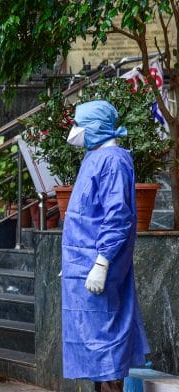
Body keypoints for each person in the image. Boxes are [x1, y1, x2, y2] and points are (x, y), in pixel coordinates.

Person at [61, 100, 149, 392]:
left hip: (100, 267)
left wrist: (102, 262)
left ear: (96, 126)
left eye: (79, 125)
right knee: (94, 349)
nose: (74, 132)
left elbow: (117, 216)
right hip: (84, 264)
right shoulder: (95, 157)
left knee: (106, 346)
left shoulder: (113, 160)